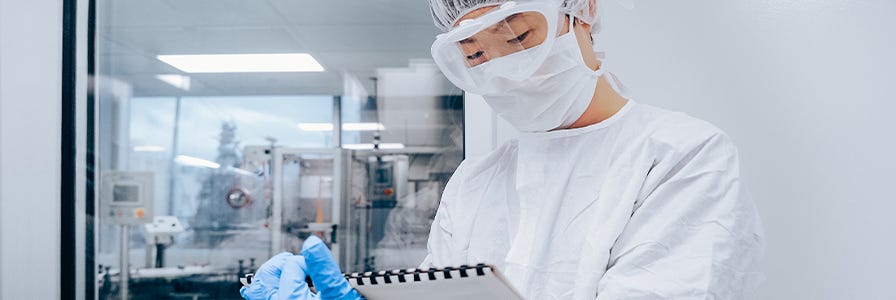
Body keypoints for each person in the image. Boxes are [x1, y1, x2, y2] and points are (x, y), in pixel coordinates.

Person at [241, 0, 764, 299]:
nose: (501, 70)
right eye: (473, 53)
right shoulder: (475, 180)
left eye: (515, 38)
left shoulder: (680, 156)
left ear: (579, 11)